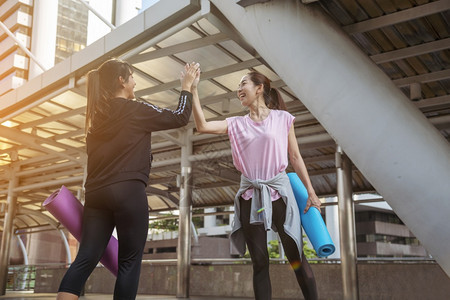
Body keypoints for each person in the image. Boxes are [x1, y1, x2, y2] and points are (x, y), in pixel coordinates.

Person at [57, 58, 199, 300]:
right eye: (132, 76)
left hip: (96, 195)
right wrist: (186, 87)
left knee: (86, 257)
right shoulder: (136, 110)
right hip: (127, 191)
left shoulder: (94, 120)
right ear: (121, 81)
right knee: (129, 262)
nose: (135, 81)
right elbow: (179, 117)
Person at [190, 67, 321, 300]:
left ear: (259, 88)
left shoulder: (283, 119)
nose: (238, 89)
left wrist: (311, 192)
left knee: (296, 258)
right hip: (251, 198)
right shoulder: (236, 123)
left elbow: (295, 157)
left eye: (243, 84)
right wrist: (193, 90)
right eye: (238, 86)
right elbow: (203, 126)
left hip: (280, 195)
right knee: (260, 263)